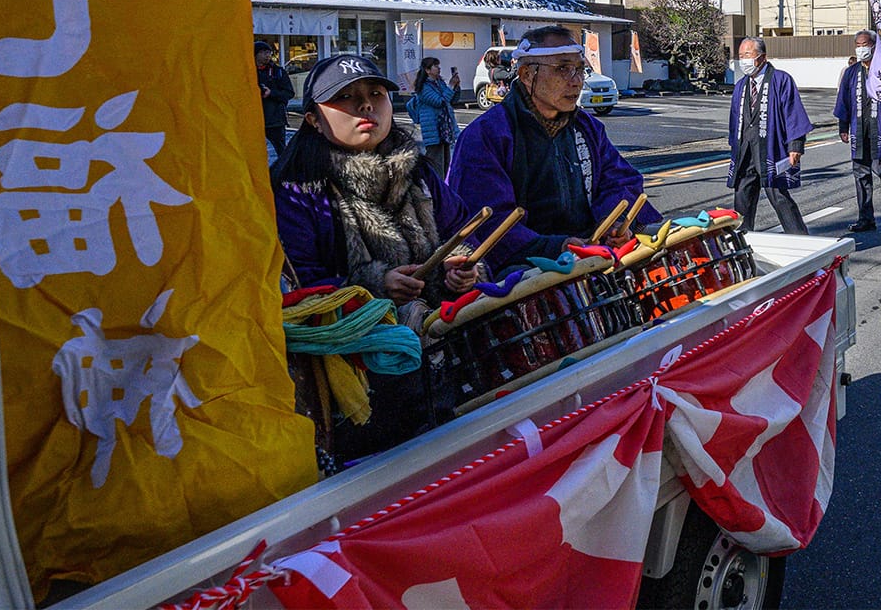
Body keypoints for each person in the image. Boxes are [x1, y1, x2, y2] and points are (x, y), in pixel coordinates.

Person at [271, 53, 481, 453]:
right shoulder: (296, 189)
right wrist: (374, 286)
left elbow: (460, 229)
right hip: (357, 384)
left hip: (443, 359)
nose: (366, 105)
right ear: (313, 118)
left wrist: (461, 265)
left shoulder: (416, 168)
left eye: (375, 93)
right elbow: (296, 287)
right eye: (346, 98)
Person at [449, 25, 657, 264]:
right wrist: (553, 247)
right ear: (527, 75)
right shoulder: (488, 135)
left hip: (588, 257)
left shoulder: (587, 127)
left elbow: (620, 181)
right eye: (562, 69)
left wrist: (614, 222)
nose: (576, 82)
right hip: (522, 272)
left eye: (580, 70)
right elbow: (485, 219)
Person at [727, 37, 813, 234]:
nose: (743, 60)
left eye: (747, 55)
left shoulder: (781, 80)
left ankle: (800, 239)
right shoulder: (741, 86)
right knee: (742, 196)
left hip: (771, 147)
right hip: (746, 150)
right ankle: (743, 239)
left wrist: (795, 146)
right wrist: (734, 146)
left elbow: (793, 113)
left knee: (778, 195)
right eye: (740, 56)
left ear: (762, 57)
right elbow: (734, 120)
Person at [833, 30, 881, 232]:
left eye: (864, 44)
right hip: (859, 131)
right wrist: (843, 127)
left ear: (874, 45)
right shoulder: (851, 72)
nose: (860, 48)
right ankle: (866, 218)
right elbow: (844, 102)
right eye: (857, 44)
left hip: (880, 130)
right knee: (861, 176)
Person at [410, 56, 460, 175]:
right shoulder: (424, 87)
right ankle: (435, 190)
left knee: (446, 162)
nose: (439, 69)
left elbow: (452, 100)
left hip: (445, 130)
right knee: (436, 163)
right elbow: (440, 102)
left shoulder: (440, 82)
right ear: (427, 70)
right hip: (433, 129)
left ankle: (441, 189)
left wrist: (456, 87)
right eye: (436, 66)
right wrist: (451, 86)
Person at [256, 40, 295, 155]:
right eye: (263, 52)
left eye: (269, 53)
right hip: (254, 119)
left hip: (275, 119)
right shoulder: (248, 72)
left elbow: (289, 93)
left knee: (281, 150)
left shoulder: (277, 72)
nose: (267, 56)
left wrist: (271, 93)